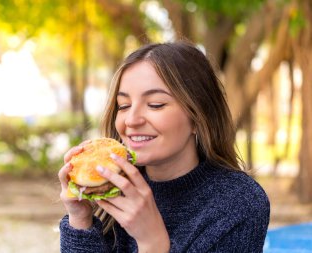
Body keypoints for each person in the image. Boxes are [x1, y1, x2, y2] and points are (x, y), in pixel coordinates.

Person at [58, 40, 270, 252]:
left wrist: (152, 242)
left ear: (198, 118)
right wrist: (80, 219)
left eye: (155, 104)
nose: (131, 120)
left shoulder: (240, 202)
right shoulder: (113, 190)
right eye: (123, 106)